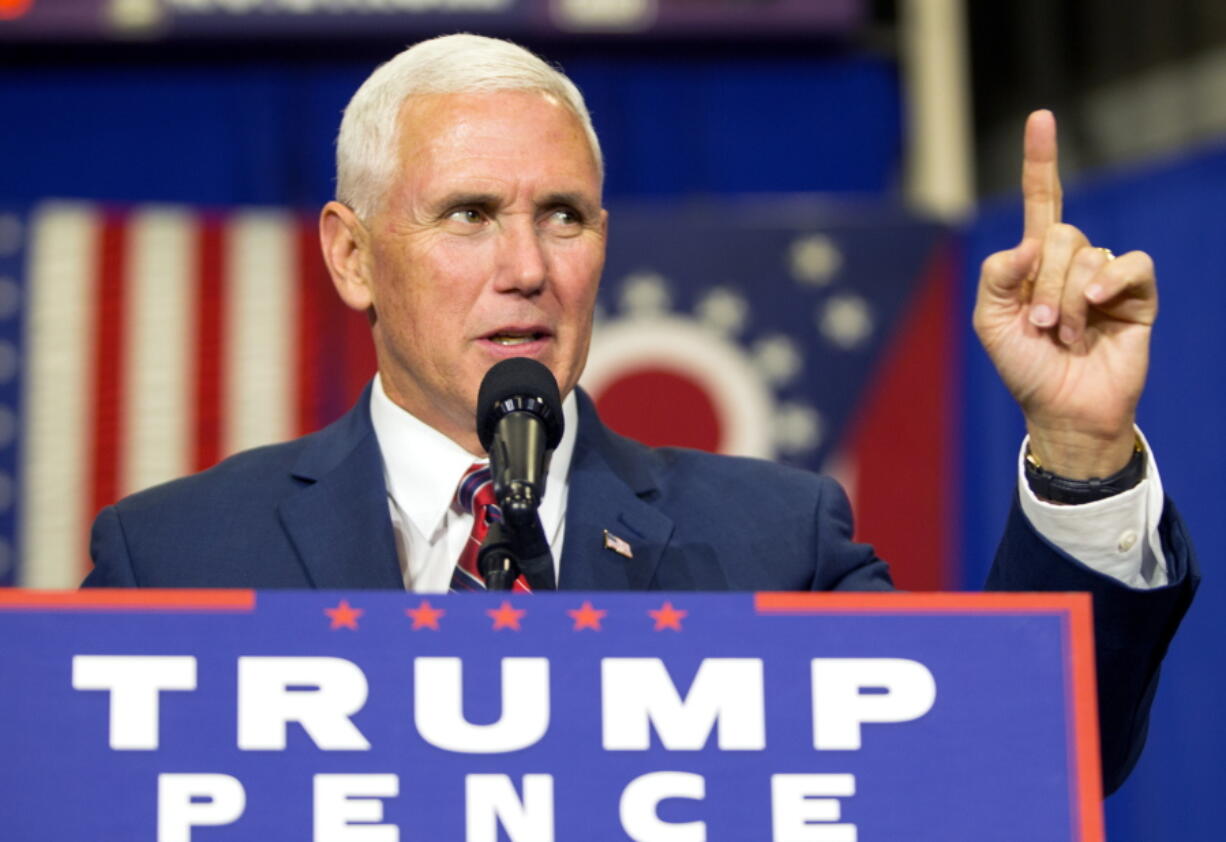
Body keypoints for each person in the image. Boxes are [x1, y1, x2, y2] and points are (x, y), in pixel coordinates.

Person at [83, 34, 1196, 792]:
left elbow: (1011, 759)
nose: (525, 266)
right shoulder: (176, 558)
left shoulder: (775, 542)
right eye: (468, 214)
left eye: (561, 215)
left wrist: (1078, 446)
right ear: (351, 254)